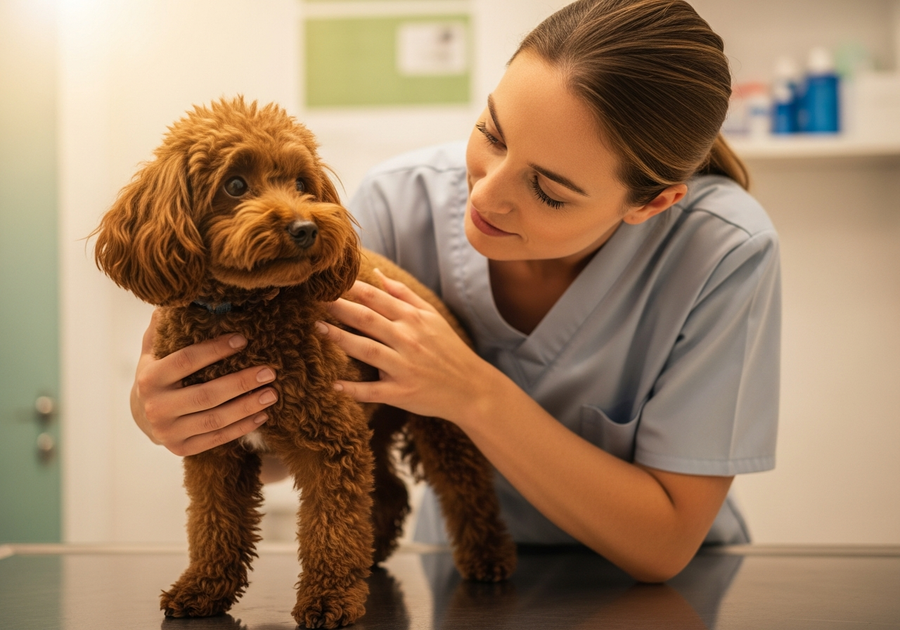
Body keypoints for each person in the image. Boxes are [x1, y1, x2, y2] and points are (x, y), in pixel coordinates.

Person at [129, 0, 780, 583]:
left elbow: (662, 545)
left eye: (548, 189)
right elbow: (305, 439)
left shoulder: (722, 249)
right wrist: (187, 417)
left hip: (666, 592)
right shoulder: (397, 202)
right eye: (492, 134)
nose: (486, 194)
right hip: (460, 586)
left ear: (653, 203)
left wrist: (470, 391)